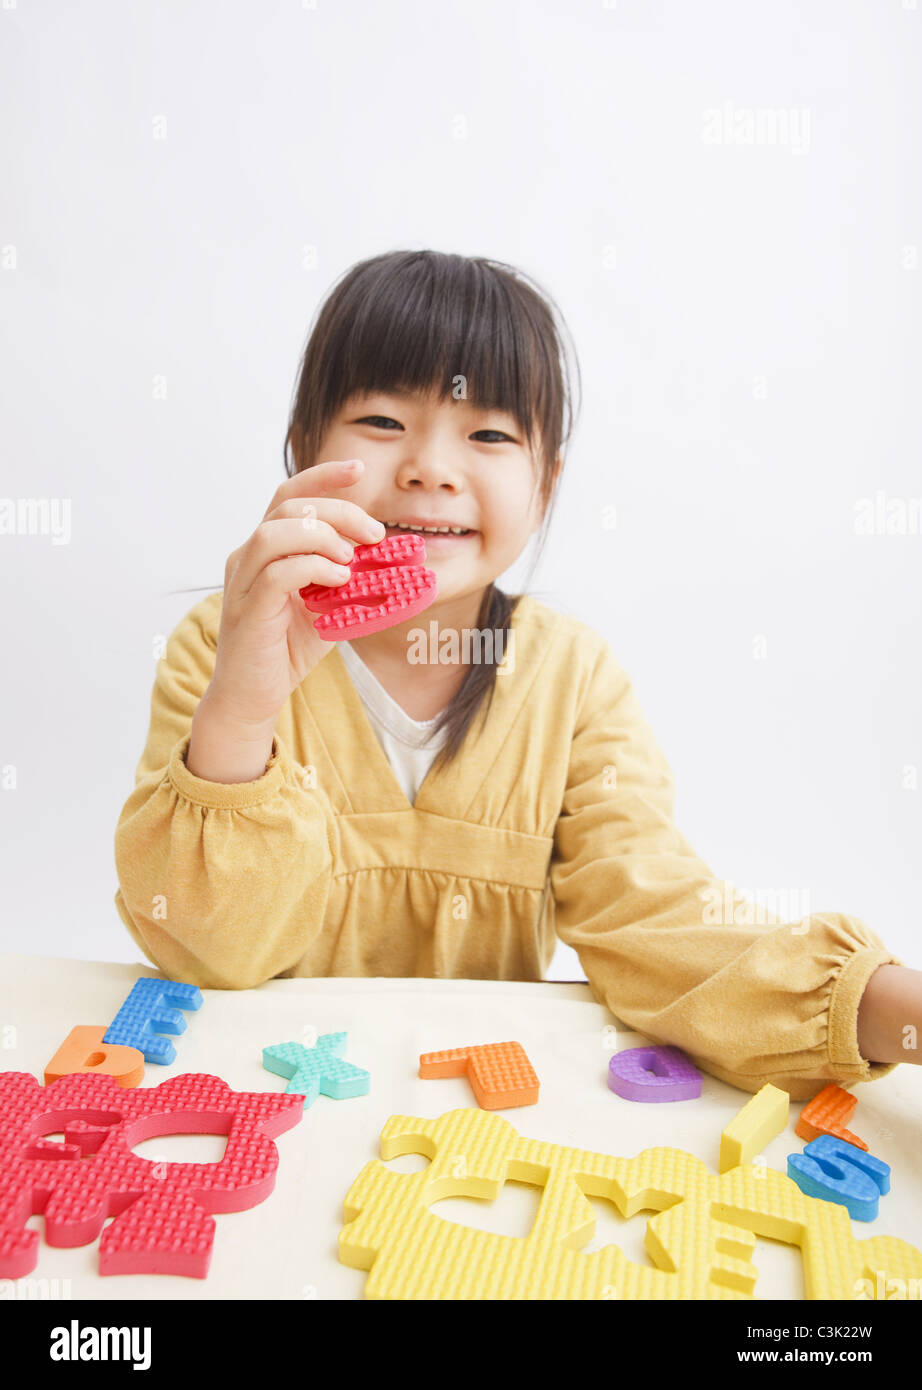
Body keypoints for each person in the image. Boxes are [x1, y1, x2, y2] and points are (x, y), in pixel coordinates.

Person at [113, 249, 919, 1099]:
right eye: (382, 422)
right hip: (267, 1106)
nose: (429, 465)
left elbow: (651, 918)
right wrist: (242, 706)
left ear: (546, 485)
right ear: (303, 449)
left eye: (490, 434)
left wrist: (889, 1010)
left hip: (476, 1123)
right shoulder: (222, 647)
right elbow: (202, 951)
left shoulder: (572, 678)